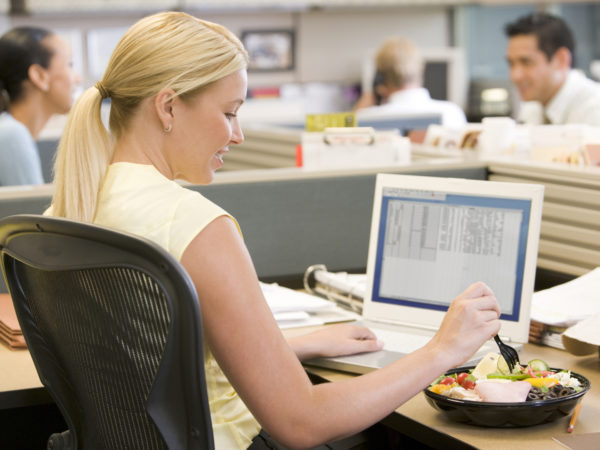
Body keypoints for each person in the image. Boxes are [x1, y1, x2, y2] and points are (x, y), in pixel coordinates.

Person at [48, 12, 501, 449]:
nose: (238, 134)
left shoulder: (72, 207)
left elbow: (151, 349)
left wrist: (291, 346)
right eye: (229, 112)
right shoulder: (195, 225)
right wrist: (442, 350)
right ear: (168, 106)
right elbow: (300, 423)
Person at [0, 26, 81, 186]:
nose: (77, 79)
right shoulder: (11, 134)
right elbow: (29, 210)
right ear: (39, 76)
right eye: (69, 65)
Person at [505, 12, 600, 126]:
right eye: (511, 63)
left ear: (561, 59)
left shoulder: (593, 111)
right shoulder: (532, 108)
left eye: (526, 62)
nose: (515, 76)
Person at [353, 37, 467, 128]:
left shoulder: (365, 119)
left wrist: (358, 111)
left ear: (381, 78)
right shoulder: (452, 112)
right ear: (421, 70)